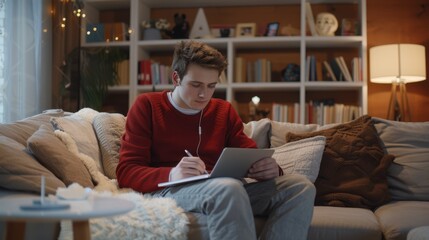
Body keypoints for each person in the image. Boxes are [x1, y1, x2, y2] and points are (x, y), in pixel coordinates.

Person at [117, 40, 315, 240]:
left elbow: (250, 155)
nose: (204, 94)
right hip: (170, 191)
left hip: (224, 190)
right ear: (176, 78)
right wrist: (172, 174)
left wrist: (270, 169)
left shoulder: (223, 110)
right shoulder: (147, 106)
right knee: (228, 188)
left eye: (211, 86)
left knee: (300, 186)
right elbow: (126, 171)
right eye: (196, 85)